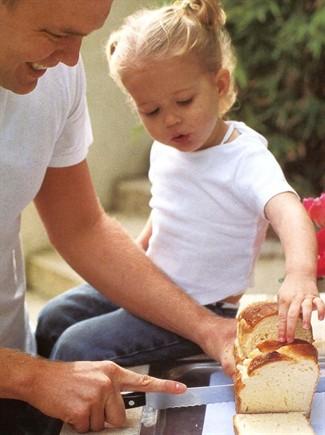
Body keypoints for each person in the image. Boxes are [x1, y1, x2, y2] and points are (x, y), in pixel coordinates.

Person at [36, 0, 325, 380]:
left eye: (184, 102)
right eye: (151, 111)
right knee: (51, 319)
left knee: (76, 346)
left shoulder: (245, 158)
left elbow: (289, 212)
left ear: (219, 84)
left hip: (207, 307)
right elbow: (168, 208)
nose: (170, 120)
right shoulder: (167, 149)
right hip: (154, 287)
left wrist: (300, 273)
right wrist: (135, 256)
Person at [0, 0, 198, 433]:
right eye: (55, 35)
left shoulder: (57, 71)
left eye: (83, 37)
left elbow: (82, 228)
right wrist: (31, 376)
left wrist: (208, 328)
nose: (72, 59)